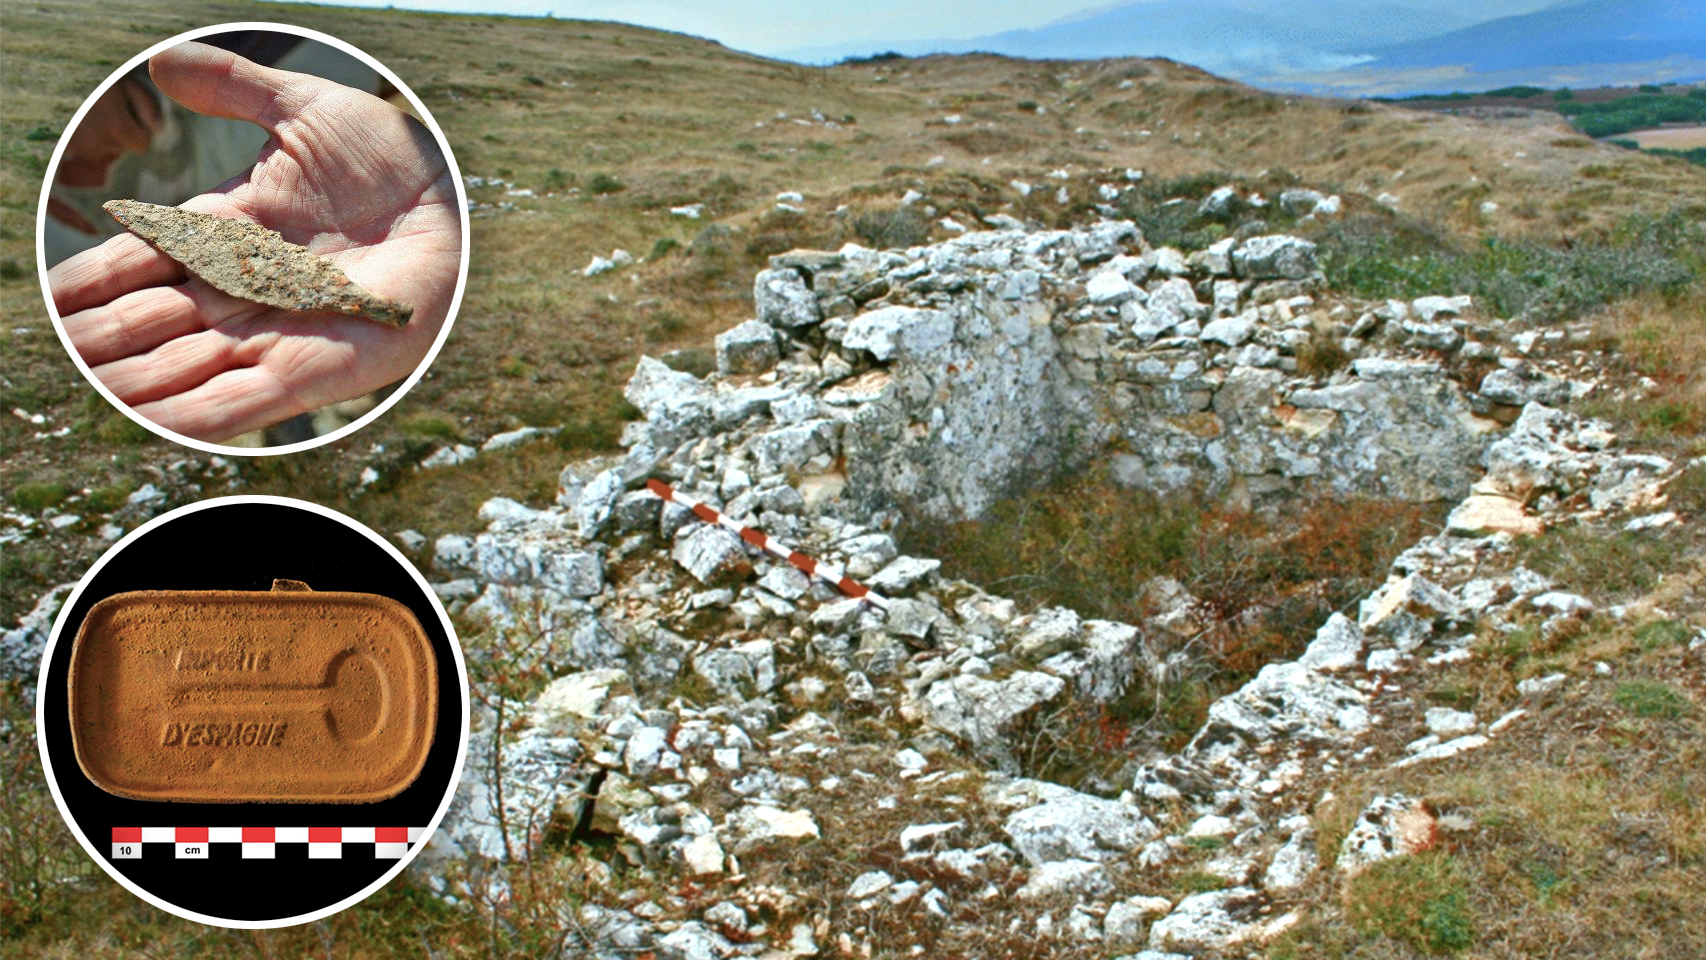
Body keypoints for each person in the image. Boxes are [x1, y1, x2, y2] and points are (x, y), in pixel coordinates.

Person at [48, 41, 462, 444]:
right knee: (100, 296)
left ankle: (345, 400)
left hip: (190, 111)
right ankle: (289, 424)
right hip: (89, 203)